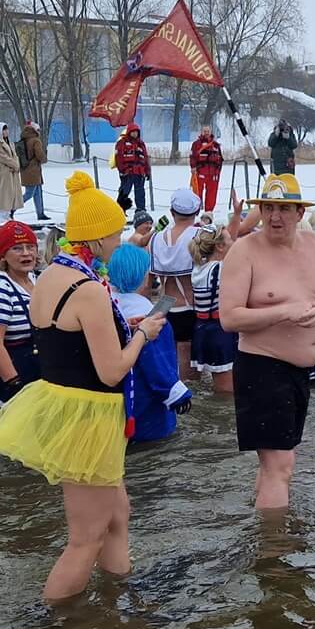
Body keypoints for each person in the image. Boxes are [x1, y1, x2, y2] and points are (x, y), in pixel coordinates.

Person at [0, 174, 165, 601]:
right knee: (85, 537)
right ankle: (54, 623)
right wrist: (144, 336)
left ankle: (118, 596)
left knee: (118, 514)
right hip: (88, 416)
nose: (120, 238)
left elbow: (68, 339)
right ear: (99, 234)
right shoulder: (88, 289)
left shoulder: (51, 276)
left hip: (62, 403)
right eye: (116, 231)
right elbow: (111, 372)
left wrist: (124, 326)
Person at [219, 174, 315, 510]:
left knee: (274, 466)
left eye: (284, 208)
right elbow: (229, 318)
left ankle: (263, 537)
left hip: (301, 371)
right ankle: (275, 553)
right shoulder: (243, 251)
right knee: (281, 466)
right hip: (261, 366)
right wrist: (283, 312)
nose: (275, 216)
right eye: (269, 208)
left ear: (299, 212)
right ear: (259, 211)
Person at [106, 244, 193, 443]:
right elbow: (156, 362)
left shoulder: (107, 308)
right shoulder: (150, 318)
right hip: (147, 401)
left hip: (116, 398)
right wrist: (176, 393)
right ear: (144, 277)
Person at [0, 220, 43, 408]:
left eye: (30, 247)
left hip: (36, 371)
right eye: (17, 248)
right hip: (13, 375)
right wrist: (15, 384)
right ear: (3, 256)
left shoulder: (35, 280)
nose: (26, 253)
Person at [148, 188, 203, 380]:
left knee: (173, 366)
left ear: (172, 213)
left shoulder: (156, 238)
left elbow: (147, 284)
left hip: (165, 307)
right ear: (196, 212)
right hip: (192, 305)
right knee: (192, 371)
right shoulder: (200, 236)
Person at [189, 226, 237, 394]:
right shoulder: (222, 269)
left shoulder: (198, 268)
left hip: (202, 329)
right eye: (230, 238)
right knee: (226, 394)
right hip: (219, 332)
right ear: (220, 246)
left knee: (219, 387)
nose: (233, 241)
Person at [0, 123, 23, 220]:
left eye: (7, 129)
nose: (6, 131)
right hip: (4, 172)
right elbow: (3, 157)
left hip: (12, 172)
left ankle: (10, 214)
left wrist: (16, 165)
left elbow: (14, 155)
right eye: (4, 129)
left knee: (12, 194)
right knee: (4, 195)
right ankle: (3, 217)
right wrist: (14, 164)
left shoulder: (8, 141)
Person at [115, 123, 151, 216]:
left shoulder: (141, 143)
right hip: (128, 172)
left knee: (140, 192)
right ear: (129, 132)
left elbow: (145, 158)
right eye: (133, 132)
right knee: (124, 192)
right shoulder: (122, 143)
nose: (135, 134)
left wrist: (147, 171)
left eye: (136, 132)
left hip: (139, 172)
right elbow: (118, 157)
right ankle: (120, 211)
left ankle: (141, 210)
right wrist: (122, 170)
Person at [18, 121, 48, 221]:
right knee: (30, 193)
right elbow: (39, 155)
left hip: (25, 169)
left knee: (37, 192)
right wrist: (44, 159)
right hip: (34, 171)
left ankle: (40, 213)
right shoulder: (36, 140)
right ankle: (13, 208)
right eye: (38, 129)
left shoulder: (24, 139)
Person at [190, 126, 225, 212]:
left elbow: (220, 159)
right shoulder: (196, 144)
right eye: (204, 131)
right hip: (200, 172)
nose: (206, 133)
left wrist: (218, 171)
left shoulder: (216, 145)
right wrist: (193, 167)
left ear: (210, 132)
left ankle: (209, 212)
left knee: (212, 194)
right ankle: (195, 211)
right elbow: (192, 157)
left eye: (208, 131)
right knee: (197, 193)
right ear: (201, 132)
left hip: (213, 174)